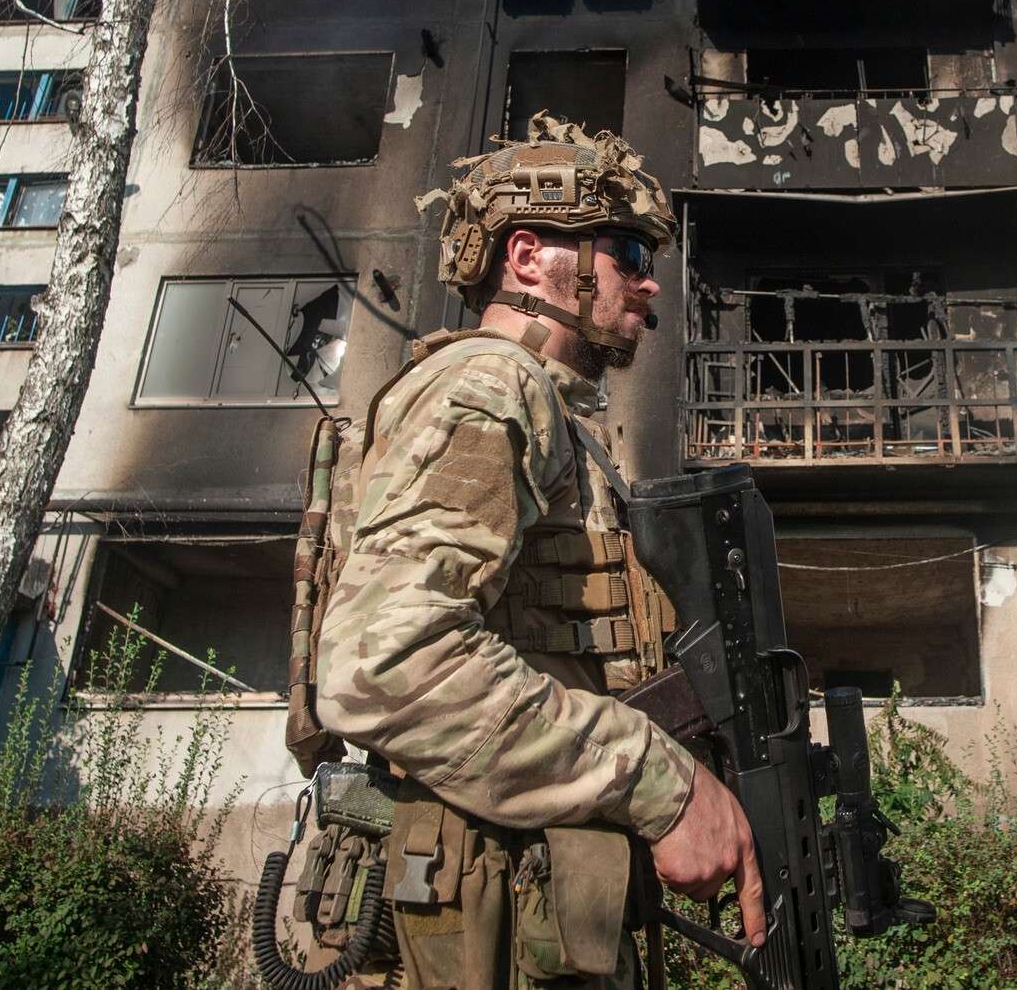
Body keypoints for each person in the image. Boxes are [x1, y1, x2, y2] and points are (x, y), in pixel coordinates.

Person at [315, 114, 764, 990]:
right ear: (529, 257)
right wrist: (658, 779)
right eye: (628, 253)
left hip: (525, 895)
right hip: (487, 903)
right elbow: (388, 659)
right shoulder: (495, 385)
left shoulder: (554, 414)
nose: (650, 289)